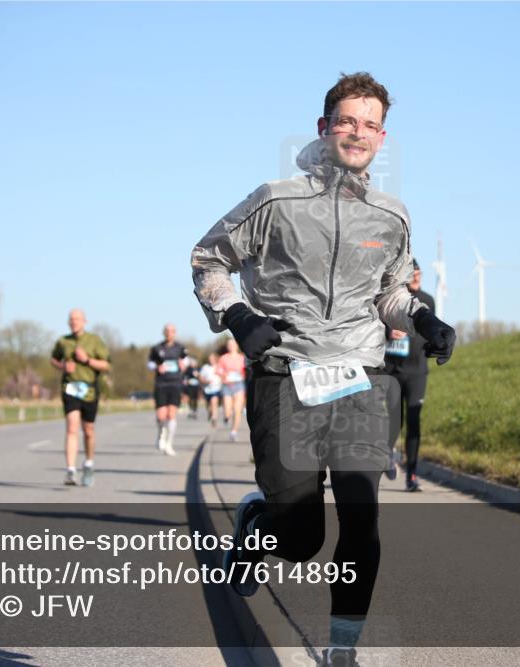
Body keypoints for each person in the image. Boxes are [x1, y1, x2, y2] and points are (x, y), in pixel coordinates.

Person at [191, 72, 455, 667]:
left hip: (362, 377)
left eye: (371, 125)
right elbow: (209, 258)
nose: (358, 133)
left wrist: (423, 318)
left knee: (362, 518)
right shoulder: (275, 200)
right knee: (301, 537)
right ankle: (260, 522)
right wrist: (236, 314)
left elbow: (389, 293)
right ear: (324, 127)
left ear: (382, 138)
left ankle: (343, 648)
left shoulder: (391, 216)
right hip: (287, 374)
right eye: (347, 121)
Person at [384, 259, 436, 491]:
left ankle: (412, 476)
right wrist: (388, 332)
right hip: (392, 371)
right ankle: (387, 455)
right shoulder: (393, 300)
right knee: (395, 420)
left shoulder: (428, 301)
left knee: (414, 422)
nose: (417, 277)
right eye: (413, 274)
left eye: (419, 273)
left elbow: (430, 331)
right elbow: (377, 325)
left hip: (417, 371)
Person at [49, 308, 111, 487]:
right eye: (71, 319)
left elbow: (106, 365)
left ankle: (89, 463)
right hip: (70, 388)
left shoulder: (94, 341)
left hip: (89, 390)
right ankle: (70, 470)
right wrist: (62, 366)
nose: (74, 322)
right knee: (72, 427)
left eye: (77, 319)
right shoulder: (63, 341)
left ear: (84, 321)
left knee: (88, 430)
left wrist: (87, 360)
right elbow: (53, 359)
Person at [147, 323, 188, 456]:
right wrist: (156, 367)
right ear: (164, 333)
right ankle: (161, 433)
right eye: (167, 331)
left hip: (175, 383)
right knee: (161, 416)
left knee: (171, 415)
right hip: (161, 383)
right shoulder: (157, 348)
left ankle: (169, 443)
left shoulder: (180, 348)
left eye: (172, 331)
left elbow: (187, 361)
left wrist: (183, 364)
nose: (169, 333)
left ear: (175, 333)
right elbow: (149, 363)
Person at [216, 338, 247, 441]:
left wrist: (243, 373)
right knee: (228, 410)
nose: (231, 346)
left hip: (239, 385)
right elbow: (218, 370)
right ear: (227, 347)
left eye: (233, 344)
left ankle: (234, 432)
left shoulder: (242, 358)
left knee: (237, 410)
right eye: (229, 345)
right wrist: (223, 374)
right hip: (227, 386)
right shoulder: (223, 358)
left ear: (237, 345)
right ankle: (226, 417)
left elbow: (246, 370)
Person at [199, 352, 223, 427]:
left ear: (215, 359)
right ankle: (210, 412)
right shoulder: (205, 367)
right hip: (207, 389)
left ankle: (214, 419)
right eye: (210, 359)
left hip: (216, 388)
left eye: (212, 358)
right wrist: (205, 381)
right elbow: (201, 377)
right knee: (209, 405)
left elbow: (223, 375)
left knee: (214, 402)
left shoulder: (219, 366)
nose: (211, 360)